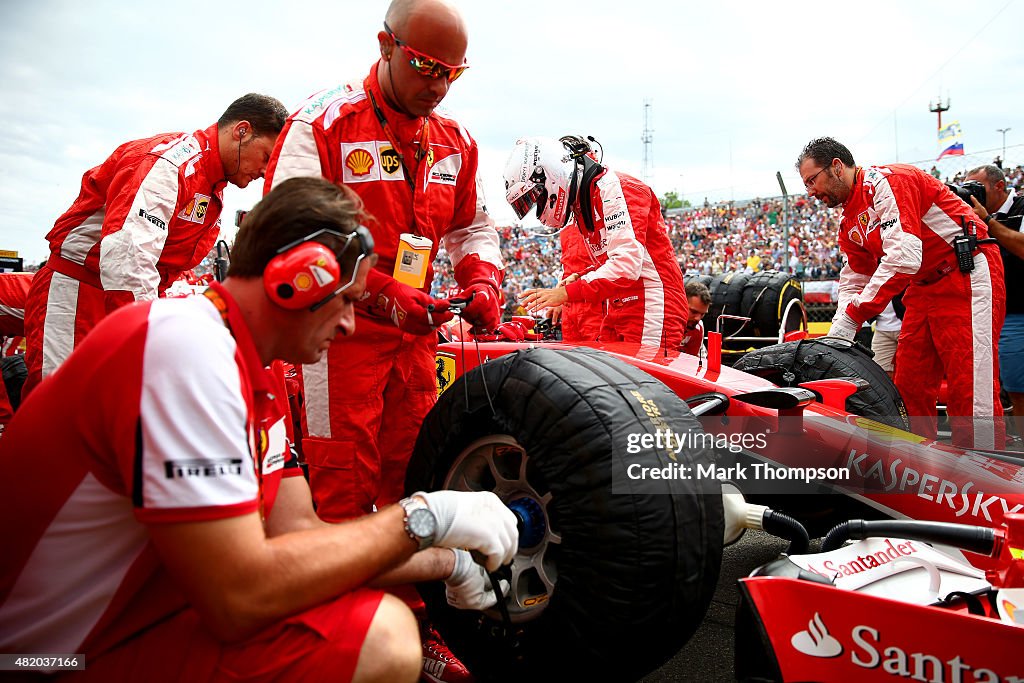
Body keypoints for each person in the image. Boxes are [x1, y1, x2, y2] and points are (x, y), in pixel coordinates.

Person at [0, 177, 518, 683]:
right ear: (297, 280)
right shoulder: (186, 351)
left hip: (125, 624)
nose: (349, 326)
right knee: (379, 638)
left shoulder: (244, 363)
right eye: (347, 301)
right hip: (41, 660)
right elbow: (239, 597)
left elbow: (303, 539)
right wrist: (426, 516)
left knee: (366, 619)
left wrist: (445, 562)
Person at [263, 0, 503, 524]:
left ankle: (408, 602)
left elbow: (473, 228)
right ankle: (344, 602)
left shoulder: (455, 141)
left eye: (452, 74)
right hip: (334, 333)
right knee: (343, 483)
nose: (438, 86)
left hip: (415, 333)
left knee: (415, 472)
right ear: (385, 45)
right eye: (425, 67)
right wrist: (380, 292)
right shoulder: (322, 122)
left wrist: (482, 280)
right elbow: (288, 232)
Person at [22, 93, 289, 396]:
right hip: (80, 294)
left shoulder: (209, 183)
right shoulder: (171, 163)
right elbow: (128, 255)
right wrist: (147, 336)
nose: (267, 171)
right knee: (63, 409)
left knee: (110, 415)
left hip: (121, 298)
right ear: (242, 131)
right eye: (267, 157)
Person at [797, 137, 1005, 448]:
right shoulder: (848, 219)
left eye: (813, 180)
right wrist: (839, 329)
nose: (811, 192)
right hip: (922, 286)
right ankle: (915, 462)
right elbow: (854, 276)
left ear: (837, 167)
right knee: (910, 383)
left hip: (966, 273)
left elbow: (904, 257)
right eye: (806, 185)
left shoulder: (888, 181)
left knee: (970, 383)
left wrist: (852, 318)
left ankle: (986, 466)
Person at [506, 135, 687, 350]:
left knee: (639, 382)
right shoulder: (587, 202)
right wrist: (578, 277)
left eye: (537, 197)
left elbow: (627, 265)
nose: (538, 205)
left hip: (650, 305)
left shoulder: (618, 188)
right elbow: (617, 262)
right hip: (619, 306)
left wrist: (564, 293)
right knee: (608, 381)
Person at [965, 164, 1024, 422]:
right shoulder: (968, 218)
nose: (971, 194)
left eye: (977, 188)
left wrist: (987, 223)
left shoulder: (1020, 208)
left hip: (1017, 314)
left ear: (999, 186)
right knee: (1016, 390)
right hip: (995, 315)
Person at [682, 280, 711, 356]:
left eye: (702, 314)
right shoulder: (661, 320)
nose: (698, 318)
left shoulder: (698, 327)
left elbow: (692, 360)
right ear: (682, 303)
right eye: (694, 312)